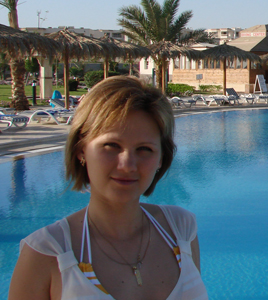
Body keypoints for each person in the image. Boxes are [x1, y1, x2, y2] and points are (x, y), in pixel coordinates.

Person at [9, 76, 208, 300]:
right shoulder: (47, 253)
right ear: (81, 150)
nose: (127, 165)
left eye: (144, 149)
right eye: (111, 145)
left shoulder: (180, 230)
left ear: (161, 158)